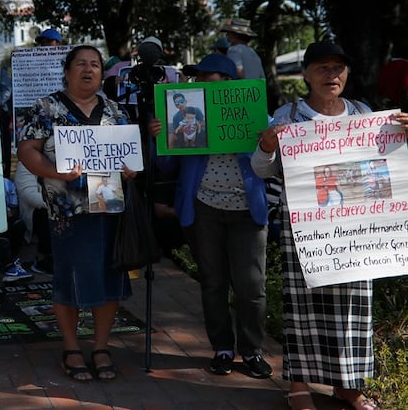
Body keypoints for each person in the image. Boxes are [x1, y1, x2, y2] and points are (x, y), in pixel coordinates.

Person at [253, 41, 386, 410]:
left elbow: (382, 166)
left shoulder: (363, 113)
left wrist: (400, 136)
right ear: (306, 74)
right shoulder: (287, 115)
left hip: (357, 230)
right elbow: (261, 170)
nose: (332, 75)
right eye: (323, 68)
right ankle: (298, 386)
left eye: (338, 68)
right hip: (305, 230)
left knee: (354, 307)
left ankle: (349, 386)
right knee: (303, 305)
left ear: (347, 74)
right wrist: (266, 145)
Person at [151, 52, 272, 380]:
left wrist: (265, 141)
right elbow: (164, 166)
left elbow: (272, 164)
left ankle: (251, 350)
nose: (201, 83)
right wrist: (160, 137)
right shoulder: (189, 116)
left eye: (209, 78)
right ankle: (221, 348)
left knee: (251, 286)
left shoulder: (258, 114)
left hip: (248, 211)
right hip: (203, 208)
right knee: (213, 282)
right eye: (198, 78)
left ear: (229, 84)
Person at [16, 45, 133, 382]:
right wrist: (55, 173)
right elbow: (26, 151)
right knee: (69, 278)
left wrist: (130, 169)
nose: (88, 69)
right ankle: (70, 347)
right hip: (67, 212)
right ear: (66, 71)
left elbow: (128, 156)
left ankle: (100, 347)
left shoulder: (115, 109)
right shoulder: (46, 107)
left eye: (94, 64)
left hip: (109, 208)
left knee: (110, 276)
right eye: (80, 64)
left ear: (101, 72)